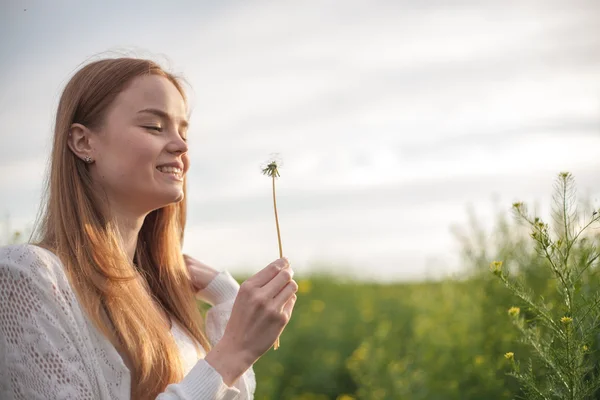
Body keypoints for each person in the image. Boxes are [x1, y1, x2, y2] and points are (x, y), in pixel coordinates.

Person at [0, 56, 298, 399]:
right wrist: (233, 353)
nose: (181, 146)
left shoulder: (162, 295)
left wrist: (229, 302)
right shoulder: (27, 275)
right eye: (154, 127)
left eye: (183, 131)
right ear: (84, 142)